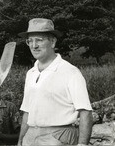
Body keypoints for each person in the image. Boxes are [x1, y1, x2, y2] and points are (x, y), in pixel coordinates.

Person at [17, 18, 93, 146]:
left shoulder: (70, 72)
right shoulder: (31, 73)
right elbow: (27, 112)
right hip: (30, 136)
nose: (34, 45)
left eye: (39, 40)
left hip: (58, 137)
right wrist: (20, 141)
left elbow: (85, 112)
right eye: (30, 40)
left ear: (52, 42)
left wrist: (82, 145)